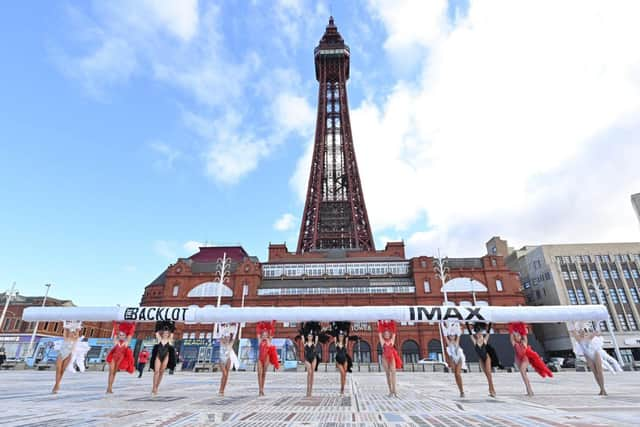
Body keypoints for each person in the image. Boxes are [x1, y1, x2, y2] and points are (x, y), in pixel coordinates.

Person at [509, 322, 553, 397]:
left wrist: (521, 327)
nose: (517, 337)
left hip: (525, 357)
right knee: (523, 374)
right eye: (515, 336)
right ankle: (528, 389)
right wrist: (511, 327)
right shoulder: (514, 343)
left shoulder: (524, 342)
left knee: (523, 372)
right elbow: (511, 334)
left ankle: (529, 390)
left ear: (521, 336)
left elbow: (523, 334)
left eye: (518, 335)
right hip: (518, 357)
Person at [569, 321, 608, 395]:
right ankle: (601, 388)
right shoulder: (578, 339)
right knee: (595, 373)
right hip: (588, 356)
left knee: (600, 372)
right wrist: (572, 322)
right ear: (579, 333)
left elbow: (596, 331)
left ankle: (603, 389)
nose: (582, 332)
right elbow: (573, 331)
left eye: (583, 331)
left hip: (595, 354)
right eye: (580, 331)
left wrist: (598, 321)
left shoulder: (589, 337)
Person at [52, 320, 89, 394]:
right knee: (58, 369)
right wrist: (66, 322)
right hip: (62, 354)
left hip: (69, 355)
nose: (73, 334)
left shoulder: (75, 339)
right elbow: (65, 328)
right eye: (72, 332)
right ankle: (57, 384)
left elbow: (78, 330)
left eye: (74, 333)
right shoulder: (66, 337)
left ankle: (57, 385)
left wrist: (78, 324)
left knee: (62, 370)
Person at [467, 322, 501, 397]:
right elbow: (470, 333)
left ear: (482, 334)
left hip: (487, 358)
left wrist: (490, 323)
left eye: (480, 333)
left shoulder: (484, 341)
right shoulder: (475, 341)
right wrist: (466, 323)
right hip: (481, 359)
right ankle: (490, 390)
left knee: (489, 374)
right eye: (478, 333)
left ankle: (492, 390)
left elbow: (488, 332)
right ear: (476, 334)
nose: (479, 334)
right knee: (486, 375)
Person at [105, 322, 135, 394]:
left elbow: (130, 334)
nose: (121, 336)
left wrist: (133, 325)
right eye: (120, 335)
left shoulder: (126, 342)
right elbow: (115, 331)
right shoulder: (116, 341)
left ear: (125, 336)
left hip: (120, 359)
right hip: (113, 358)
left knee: (114, 373)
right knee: (111, 372)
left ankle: (110, 387)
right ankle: (108, 388)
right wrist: (115, 324)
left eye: (123, 335)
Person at [441, 320, 467, 398]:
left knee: (458, 374)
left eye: (453, 335)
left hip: (459, 358)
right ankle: (461, 391)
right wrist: (442, 323)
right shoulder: (448, 343)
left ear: (455, 336)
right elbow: (445, 334)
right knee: (455, 375)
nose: (452, 336)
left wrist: (457, 322)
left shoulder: (457, 342)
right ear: (449, 336)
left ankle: (462, 391)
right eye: (451, 335)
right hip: (452, 359)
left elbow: (459, 333)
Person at [151, 320, 177, 396]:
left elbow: (172, 331)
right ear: (162, 333)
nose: (165, 334)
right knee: (156, 372)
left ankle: (157, 387)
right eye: (164, 333)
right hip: (158, 356)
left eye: (167, 333)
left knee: (161, 372)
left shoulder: (170, 340)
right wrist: (159, 323)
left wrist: (172, 322)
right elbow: (156, 332)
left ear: (168, 334)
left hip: (166, 356)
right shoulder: (159, 339)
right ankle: (154, 388)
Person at [214, 322, 239, 396]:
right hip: (221, 358)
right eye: (225, 337)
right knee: (224, 374)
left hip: (228, 358)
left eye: (227, 337)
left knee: (226, 375)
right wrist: (218, 323)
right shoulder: (221, 341)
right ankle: (221, 390)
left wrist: (237, 325)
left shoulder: (230, 343)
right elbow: (218, 332)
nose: (226, 338)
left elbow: (235, 333)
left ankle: (222, 390)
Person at [378, 320, 402, 397]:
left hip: (391, 358)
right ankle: (390, 391)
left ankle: (395, 391)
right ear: (384, 335)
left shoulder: (392, 341)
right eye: (385, 334)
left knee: (394, 373)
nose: (387, 334)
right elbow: (379, 333)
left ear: (389, 334)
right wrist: (379, 323)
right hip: (385, 358)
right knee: (388, 374)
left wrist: (393, 322)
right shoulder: (382, 342)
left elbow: (394, 332)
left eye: (388, 333)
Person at [256, 320, 279, 396]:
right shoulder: (260, 340)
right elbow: (258, 331)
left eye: (266, 334)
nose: (265, 335)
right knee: (259, 373)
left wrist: (271, 323)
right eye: (264, 334)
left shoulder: (269, 340)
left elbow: (271, 331)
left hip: (266, 358)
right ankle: (260, 390)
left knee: (264, 373)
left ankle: (262, 389)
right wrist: (260, 324)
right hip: (260, 358)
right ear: (262, 334)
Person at [330, 321, 354, 396]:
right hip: (338, 360)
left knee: (344, 375)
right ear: (338, 336)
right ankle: (342, 390)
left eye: (342, 336)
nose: (341, 337)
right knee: (342, 373)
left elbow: (347, 333)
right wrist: (333, 325)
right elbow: (334, 333)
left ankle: (342, 389)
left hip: (345, 360)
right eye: (340, 336)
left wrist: (347, 326)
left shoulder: (345, 343)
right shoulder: (336, 343)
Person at [299, 321, 322, 397]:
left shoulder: (314, 343)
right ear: (307, 337)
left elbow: (317, 336)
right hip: (307, 358)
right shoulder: (305, 343)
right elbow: (302, 335)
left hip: (314, 358)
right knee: (309, 372)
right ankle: (307, 389)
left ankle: (310, 390)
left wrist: (317, 328)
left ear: (312, 337)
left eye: (311, 336)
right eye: (309, 336)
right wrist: (302, 327)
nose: (310, 337)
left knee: (312, 374)